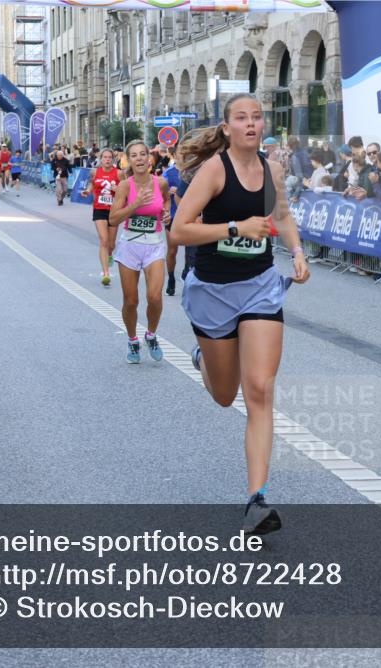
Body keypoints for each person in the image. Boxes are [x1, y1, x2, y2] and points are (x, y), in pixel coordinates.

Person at [171, 93, 310, 535]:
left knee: (261, 388)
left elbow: (280, 214)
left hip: (260, 288)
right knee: (225, 394)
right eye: (241, 118)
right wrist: (236, 227)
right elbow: (179, 230)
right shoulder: (214, 170)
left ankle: (257, 500)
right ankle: (204, 358)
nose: (251, 124)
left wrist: (297, 250)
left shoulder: (271, 168)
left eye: (257, 117)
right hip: (213, 290)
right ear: (227, 128)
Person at [107, 140, 170, 364]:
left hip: (154, 245)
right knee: (131, 300)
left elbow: (167, 202)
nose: (140, 158)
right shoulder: (125, 186)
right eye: (134, 155)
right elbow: (113, 219)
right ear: (129, 160)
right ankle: (133, 340)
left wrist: (166, 214)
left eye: (143, 154)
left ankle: (151, 335)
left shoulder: (161, 183)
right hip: (129, 246)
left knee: (154, 297)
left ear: (149, 159)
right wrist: (135, 205)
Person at [82, 148, 127, 287]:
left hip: (114, 210)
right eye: (105, 157)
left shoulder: (119, 173)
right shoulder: (95, 172)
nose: (107, 159)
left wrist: (117, 190)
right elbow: (92, 183)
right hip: (99, 209)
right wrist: (88, 191)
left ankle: (109, 255)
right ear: (100, 158)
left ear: (113, 159)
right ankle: (106, 273)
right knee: (104, 240)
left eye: (109, 157)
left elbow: (126, 190)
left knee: (111, 245)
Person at [162, 146, 183, 296]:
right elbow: (161, 195)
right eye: (181, 152)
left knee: (192, 252)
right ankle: (171, 277)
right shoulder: (168, 174)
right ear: (174, 155)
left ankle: (188, 272)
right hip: (173, 215)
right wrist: (168, 193)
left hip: (192, 216)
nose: (185, 155)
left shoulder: (195, 172)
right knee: (172, 251)